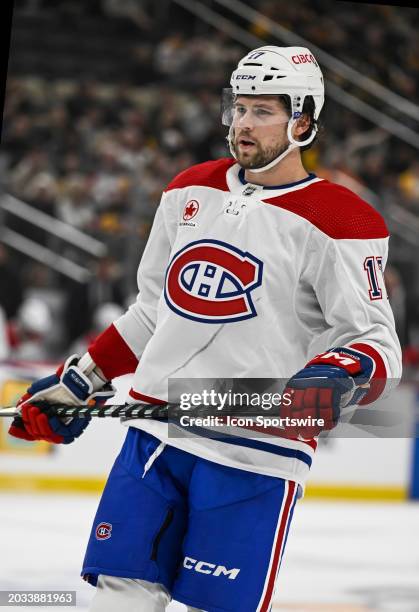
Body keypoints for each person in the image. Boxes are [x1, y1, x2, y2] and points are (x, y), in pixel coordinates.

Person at [8, 46, 402, 612]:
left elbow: (376, 345)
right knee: (117, 597)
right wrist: (81, 381)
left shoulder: (341, 219)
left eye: (262, 110)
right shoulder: (190, 189)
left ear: (304, 120)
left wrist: (342, 372)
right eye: (238, 107)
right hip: (154, 438)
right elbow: (152, 311)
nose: (243, 123)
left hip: (255, 453)